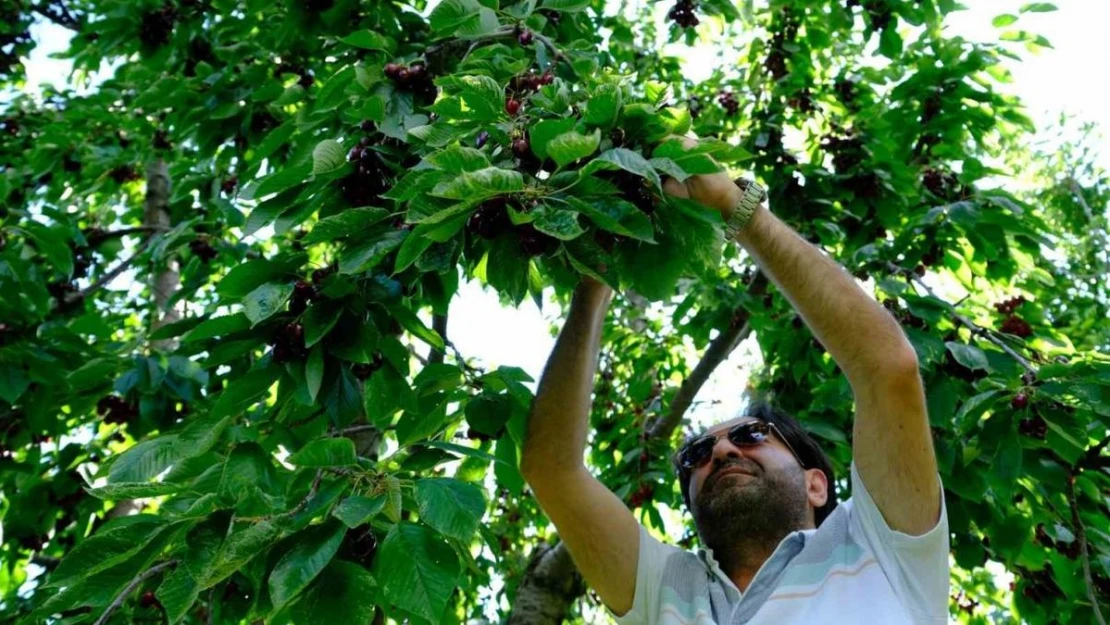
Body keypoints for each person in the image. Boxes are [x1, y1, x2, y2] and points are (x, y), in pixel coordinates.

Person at [519, 137, 949, 624]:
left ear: (817, 486)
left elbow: (887, 368)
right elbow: (551, 470)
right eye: (695, 457)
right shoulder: (666, 589)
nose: (721, 452)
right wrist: (595, 281)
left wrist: (736, 208)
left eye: (750, 435)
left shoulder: (880, 548)